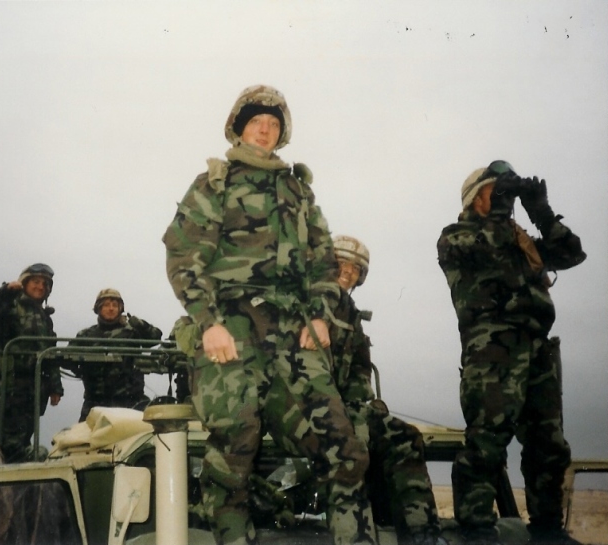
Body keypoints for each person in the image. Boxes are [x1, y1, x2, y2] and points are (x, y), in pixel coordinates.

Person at [163, 84, 374, 545]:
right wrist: (209, 323)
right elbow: (183, 258)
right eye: (257, 120)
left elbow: (322, 260)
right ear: (240, 127)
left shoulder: (298, 192)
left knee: (344, 449)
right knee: (234, 450)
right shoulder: (214, 184)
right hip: (232, 329)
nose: (265, 128)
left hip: (296, 335)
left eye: (274, 124)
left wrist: (319, 315)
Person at [437, 161, 586, 545]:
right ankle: (475, 527)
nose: (504, 198)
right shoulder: (457, 237)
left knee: (548, 445)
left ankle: (548, 526)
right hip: (492, 348)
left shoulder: (518, 240)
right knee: (488, 438)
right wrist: (502, 211)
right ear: (475, 199)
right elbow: (488, 245)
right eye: (494, 191)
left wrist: (542, 213)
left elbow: (570, 253)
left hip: (537, 346)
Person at [330, 235, 446, 545]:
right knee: (348, 449)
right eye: (341, 264)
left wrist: (355, 406)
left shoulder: (352, 317)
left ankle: (421, 533)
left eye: (355, 268)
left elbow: (358, 371)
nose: (348, 272)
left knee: (403, 437)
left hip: (345, 410)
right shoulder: (304, 306)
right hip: (304, 408)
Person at [0, 263, 64, 463]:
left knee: (22, 441)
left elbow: (50, 353)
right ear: (24, 284)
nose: (40, 287)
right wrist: (4, 292)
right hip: (7, 390)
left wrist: (55, 387)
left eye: (44, 284)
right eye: (35, 282)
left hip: (33, 392)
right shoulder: (10, 306)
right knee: (11, 447)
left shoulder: (45, 319)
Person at [68, 288, 162, 422]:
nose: (111, 309)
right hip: (96, 402)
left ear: (120, 308)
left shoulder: (132, 332)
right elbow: (67, 358)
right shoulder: (86, 335)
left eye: (115, 305)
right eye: (106, 305)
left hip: (131, 401)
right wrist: (83, 369)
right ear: (98, 309)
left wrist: (140, 325)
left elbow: (155, 338)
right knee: (85, 438)